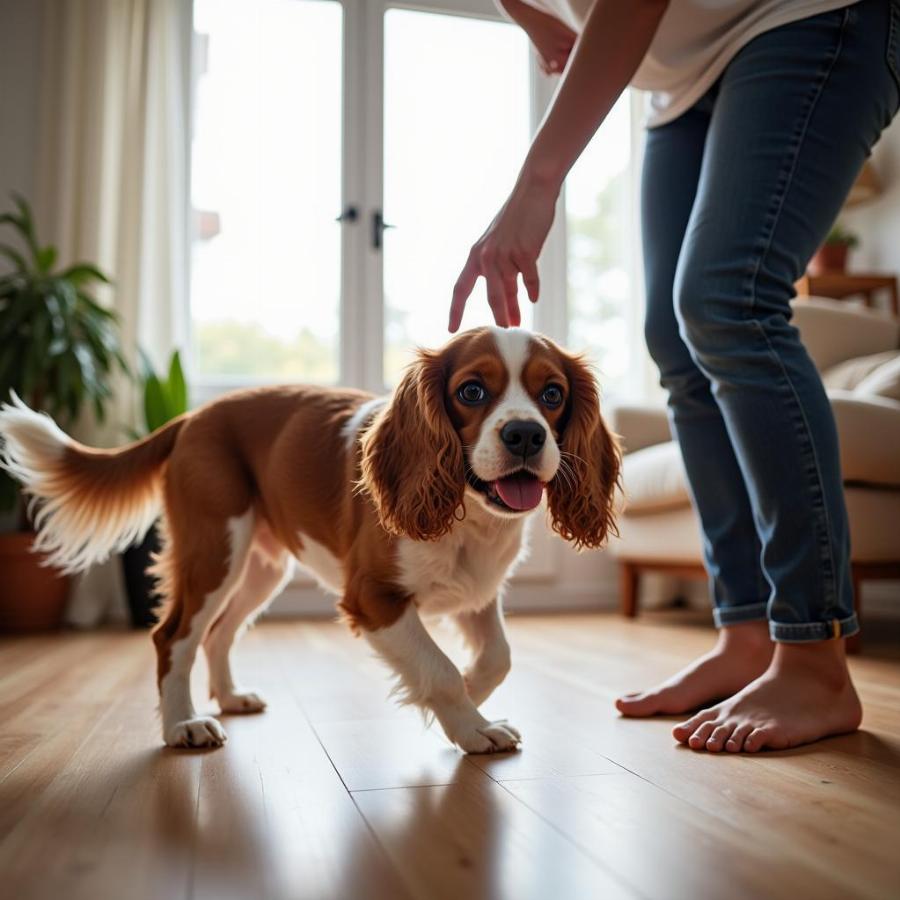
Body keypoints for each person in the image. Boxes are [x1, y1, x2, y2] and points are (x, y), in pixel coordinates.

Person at [450, 0, 899, 752]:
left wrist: (538, 184)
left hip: (807, 15)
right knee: (674, 336)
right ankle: (746, 632)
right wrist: (532, 18)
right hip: (682, 79)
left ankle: (814, 655)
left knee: (729, 301)